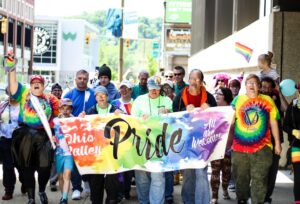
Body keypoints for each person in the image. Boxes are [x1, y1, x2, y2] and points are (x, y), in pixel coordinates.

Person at [231, 74, 282, 204]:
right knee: (241, 178)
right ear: (245, 86)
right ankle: (242, 199)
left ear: (259, 86)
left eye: (255, 83)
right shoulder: (237, 100)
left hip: (262, 148)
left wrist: (277, 144)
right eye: (249, 83)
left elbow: (273, 122)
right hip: (240, 148)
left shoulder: (267, 100)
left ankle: (257, 201)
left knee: (260, 178)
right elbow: (228, 121)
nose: (252, 86)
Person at [10, 72, 59, 204]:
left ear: (43, 86)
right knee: (26, 168)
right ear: (30, 86)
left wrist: (55, 134)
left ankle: (42, 190)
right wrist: (11, 67)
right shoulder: (24, 94)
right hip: (25, 136)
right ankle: (31, 197)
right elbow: (13, 85)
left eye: (39, 83)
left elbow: (58, 119)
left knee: (45, 168)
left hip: (44, 136)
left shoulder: (51, 99)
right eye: (33, 83)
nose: (36, 84)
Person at [173, 69, 216, 204]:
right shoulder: (180, 97)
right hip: (186, 141)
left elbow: (217, 118)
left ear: (202, 82)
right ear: (188, 80)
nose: (194, 82)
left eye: (197, 79)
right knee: (189, 174)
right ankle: (188, 201)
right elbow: (173, 119)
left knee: (201, 173)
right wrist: (184, 112)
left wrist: (210, 109)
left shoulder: (209, 97)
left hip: (203, 142)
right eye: (192, 78)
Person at [131, 77, 173, 204]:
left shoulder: (167, 100)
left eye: (157, 88)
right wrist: (141, 118)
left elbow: (173, 120)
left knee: (158, 177)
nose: (154, 90)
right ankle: (144, 202)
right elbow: (133, 120)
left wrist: (168, 112)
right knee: (142, 177)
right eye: (151, 88)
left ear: (160, 88)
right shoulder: (139, 100)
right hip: (141, 144)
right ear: (148, 87)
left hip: (160, 144)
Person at [81, 85, 120, 204]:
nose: (101, 97)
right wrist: (81, 118)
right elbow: (83, 128)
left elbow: (125, 125)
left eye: (103, 95)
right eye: (98, 95)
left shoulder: (115, 110)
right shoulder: (91, 111)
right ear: (95, 97)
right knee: (96, 184)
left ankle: (111, 200)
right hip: (97, 153)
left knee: (112, 183)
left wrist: (121, 115)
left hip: (112, 153)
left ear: (107, 96)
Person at [63, 69, 97, 200]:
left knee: (89, 159)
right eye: (80, 78)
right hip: (74, 133)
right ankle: (76, 187)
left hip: (90, 132)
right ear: (75, 79)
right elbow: (63, 112)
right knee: (75, 160)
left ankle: (87, 181)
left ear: (88, 80)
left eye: (85, 78)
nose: (82, 81)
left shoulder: (94, 94)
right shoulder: (69, 94)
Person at [261, 77, 285, 203]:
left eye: (268, 87)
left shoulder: (276, 99)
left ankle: (266, 197)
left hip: (275, 141)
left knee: (273, 170)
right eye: (263, 86)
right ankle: (258, 195)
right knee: (260, 169)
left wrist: (279, 93)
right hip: (260, 140)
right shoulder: (257, 99)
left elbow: (286, 109)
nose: (265, 89)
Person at [111, 80, 134, 200]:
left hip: (131, 141)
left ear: (131, 90)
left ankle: (126, 190)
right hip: (117, 141)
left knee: (128, 169)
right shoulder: (114, 103)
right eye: (122, 88)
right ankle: (119, 193)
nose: (124, 91)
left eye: (127, 88)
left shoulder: (135, 103)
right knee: (118, 168)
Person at [210, 88, 233, 204]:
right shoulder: (212, 111)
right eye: (216, 93)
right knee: (215, 172)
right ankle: (214, 196)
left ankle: (225, 189)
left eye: (220, 94)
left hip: (228, 148)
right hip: (215, 147)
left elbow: (236, 129)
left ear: (226, 96)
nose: (217, 95)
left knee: (227, 173)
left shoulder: (233, 110)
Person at [53, 98, 75, 204]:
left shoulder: (74, 120)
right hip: (58, 153)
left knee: (67, 175)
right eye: (63, 108)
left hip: (69, 153)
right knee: (60, 177)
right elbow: (50, 132)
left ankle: (65, 198)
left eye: (68, 108)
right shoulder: (55, 121)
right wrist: (52, 137)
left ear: (71, 109)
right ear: (60, 109)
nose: (66, 110)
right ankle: (63, 196)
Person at [0, 89, 19, 200]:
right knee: (8, 166)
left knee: (22, 166)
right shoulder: (3, 105)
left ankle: (25, 183)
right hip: (4, 138)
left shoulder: (24, 106)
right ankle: (9, 190)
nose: (12, 95)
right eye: (10, 93)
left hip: (20, 140)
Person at [283, 83, 300, 203]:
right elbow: (285, 126)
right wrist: (293, 131)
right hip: (297, 147)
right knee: (298, 177)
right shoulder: (293, 106)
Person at [49, 83, 63, 192]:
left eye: (59, 90)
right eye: (55, 90)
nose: (57, 92)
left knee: (55, 158)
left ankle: (53, 181)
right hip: (48, 132)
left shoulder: (64, 103)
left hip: (60, 133)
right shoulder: (47, 102)